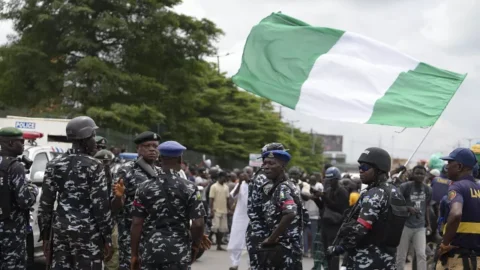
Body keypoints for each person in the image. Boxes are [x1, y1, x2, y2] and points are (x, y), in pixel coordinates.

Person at [38, 116, 113, 269]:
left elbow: (45, 204)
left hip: (61, 231)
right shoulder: (95, 165)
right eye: (93, 136)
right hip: (88, 233)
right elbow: (101, 207)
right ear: (85, 138)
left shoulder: (54, 164)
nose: (95, 141)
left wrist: (45, 237)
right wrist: (107, 237)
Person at [131, 140, 208, 270]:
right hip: (179, 251)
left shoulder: (144, 187)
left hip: (151, 251)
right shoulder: (190, 188)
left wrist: (134, 254)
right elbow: (198, 223)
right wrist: (195, 246)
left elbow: (137, 222)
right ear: (180, 159)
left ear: (160, 159)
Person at [328, 147, 408, 269]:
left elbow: (362, 227)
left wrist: (339, 248)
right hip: (387, 260)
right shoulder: (395, 192)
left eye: (364, 167)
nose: (360, 170)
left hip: (366, 259)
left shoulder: (374, 194)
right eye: (359, 167)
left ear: (379, 169)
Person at [113, 131, 162, 270]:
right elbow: (115, 206)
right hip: (130, 236)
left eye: (155, 146)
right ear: (138, 149)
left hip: (155, 236)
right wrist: (118, 197)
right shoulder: (126, 170)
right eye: (147, 146)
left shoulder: (160, 172)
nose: (152, 149)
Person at [0, 127, 38, 269]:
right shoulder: (15, 167)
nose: (23, 145)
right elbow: (25, 201)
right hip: (11, 232)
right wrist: (33, 189)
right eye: (20, 141)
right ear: (10, 143)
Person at [436, 148, 480, 269]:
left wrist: (444, 244)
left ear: (459, 166)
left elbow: (456, 214)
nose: (447, 166)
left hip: (458, 260)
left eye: (450, 163)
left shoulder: (457, 187)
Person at [260, 149, 303, 269]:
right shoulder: (283, 185)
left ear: (282, 166)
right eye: (265, 163)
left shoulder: (283, 188)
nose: (266, 167)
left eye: (271, 163)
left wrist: (271, 239)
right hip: (284, 250)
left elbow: (290, 213)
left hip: (285, 251)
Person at [396, 165, 432, 270]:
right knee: (401, 255)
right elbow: (397, 204)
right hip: (405, 226)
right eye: (417, 173)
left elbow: (427, 207)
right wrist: (408, 208)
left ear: (425, 175)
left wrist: (428, 224)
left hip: (420, 227)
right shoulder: (405, 187)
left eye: (422, 174)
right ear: (412, 174)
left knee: (421, 254)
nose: (419, 176)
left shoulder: (428, 189)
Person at [94, 149, 122, 270]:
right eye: (102, 161)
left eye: (107, 162)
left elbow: (116, 206)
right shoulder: (88, 177)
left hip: (110, 223)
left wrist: (118, 197)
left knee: (112, 261)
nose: (104, 165)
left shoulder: (115, 178)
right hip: (91, 225)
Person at [320, 167, 350, 270]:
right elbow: (324, 207)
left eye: (331, 179)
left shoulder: (342, 191)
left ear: (337, 179)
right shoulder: (328, 190)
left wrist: (324, 197)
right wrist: (317, 198)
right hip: (326, 225)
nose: (329, 182)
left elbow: (340, 208)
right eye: (327, 179)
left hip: (336, 226)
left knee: (333, 253)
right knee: (327, 252)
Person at [227, 171, 250, 270]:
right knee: (236, 239)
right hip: (240, 216)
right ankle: (235, 263)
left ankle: (251, 265)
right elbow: (233, 195)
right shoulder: (240, 184)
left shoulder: (256, 184)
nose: (245, 174)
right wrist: (240, 183)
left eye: (248, 173)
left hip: (252, 217)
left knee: (251, 241)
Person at [209, 170, 231, 250]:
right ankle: (209, 238)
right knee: (215, 227)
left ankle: (219, 245)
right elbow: (211, 199)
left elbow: (227, 199)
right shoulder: (214, 186)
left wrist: (230, 209)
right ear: (220, 177)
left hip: (224, 210)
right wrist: (211, 210)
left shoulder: (226, 187)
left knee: (222, 229)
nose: (226, 179)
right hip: (216, 210)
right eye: (225, 177)